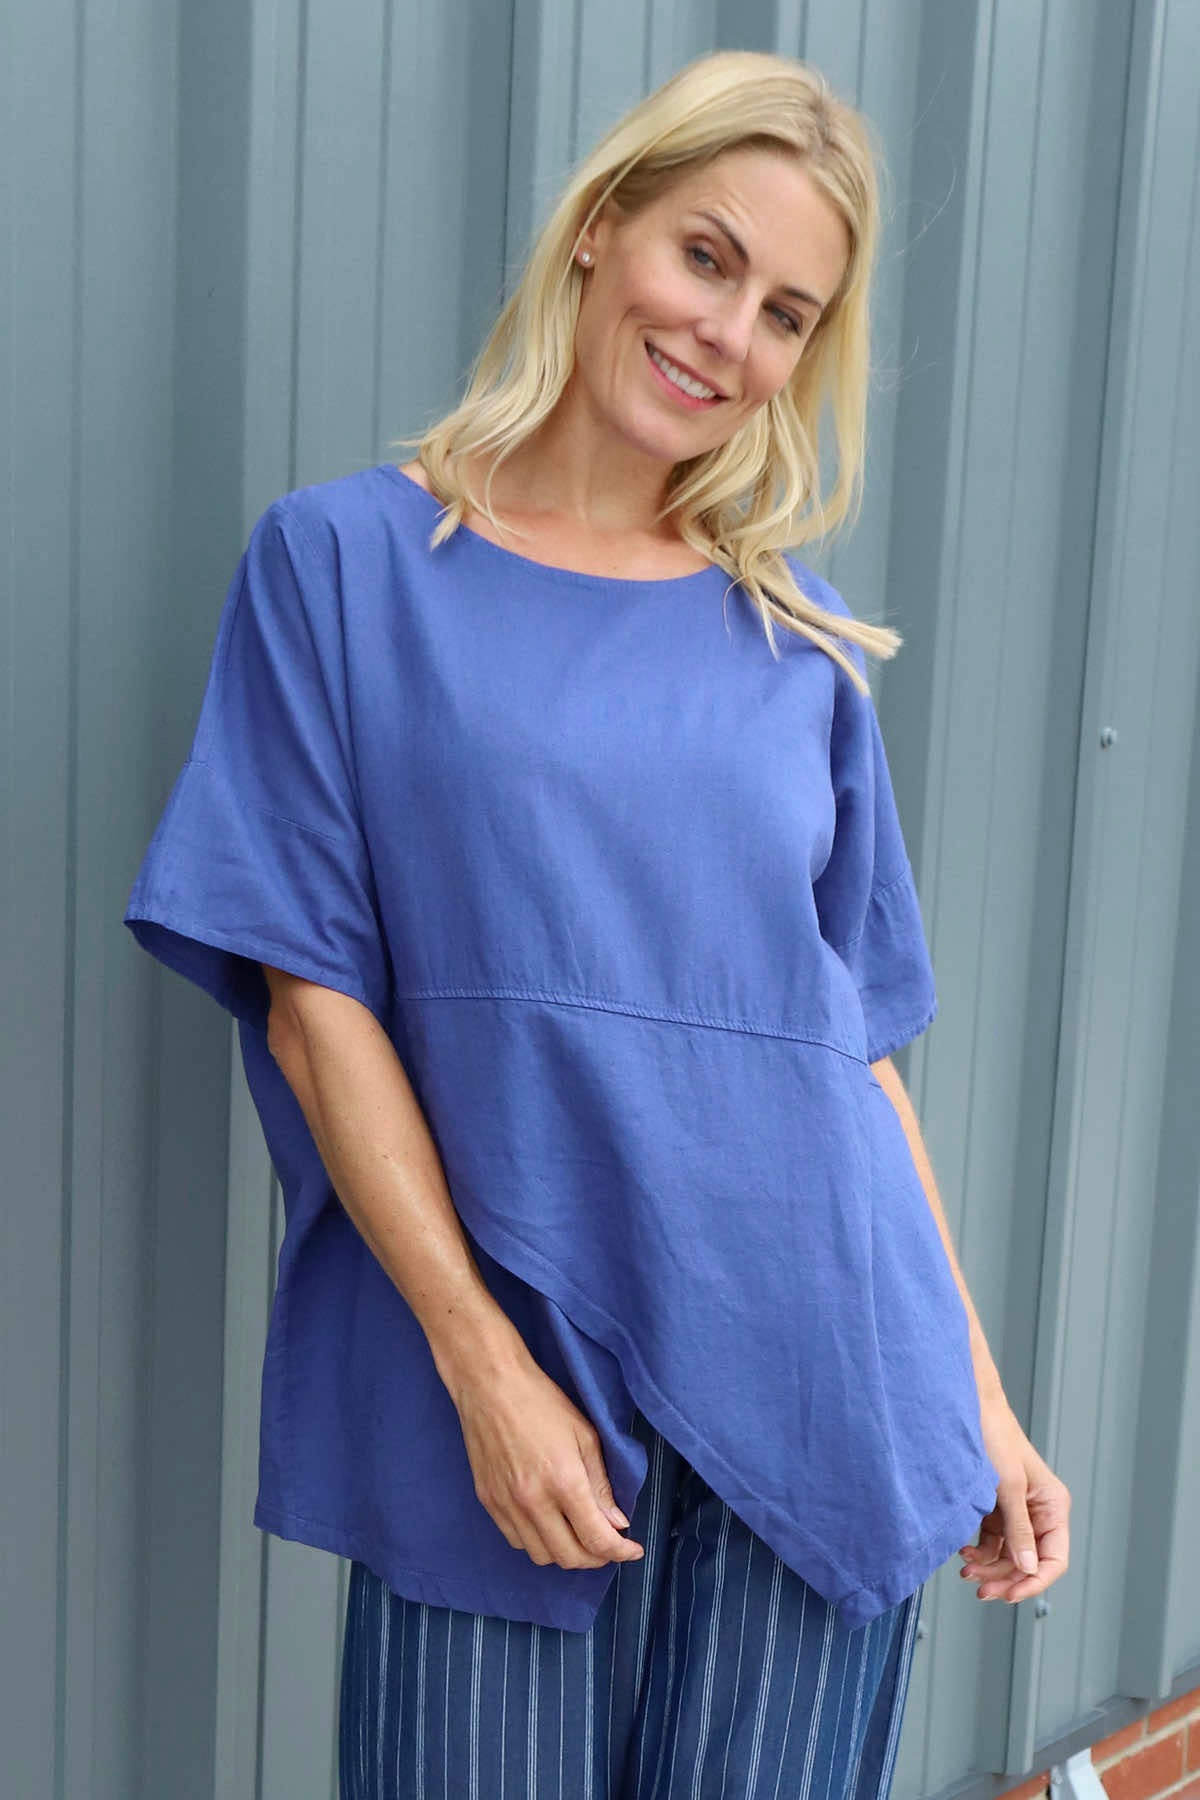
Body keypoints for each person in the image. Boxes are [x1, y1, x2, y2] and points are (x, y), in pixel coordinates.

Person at [123, 47, 1070, 1799]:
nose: (728, 335)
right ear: (598, 229)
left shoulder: (797, 645)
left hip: (826, 1392)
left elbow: (854, 1061)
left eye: (786, 314)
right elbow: (315, 1003)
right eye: (707, 258)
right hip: (519, 1390)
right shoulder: (344, 568)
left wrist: (983, 1400)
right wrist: (479, 1365)